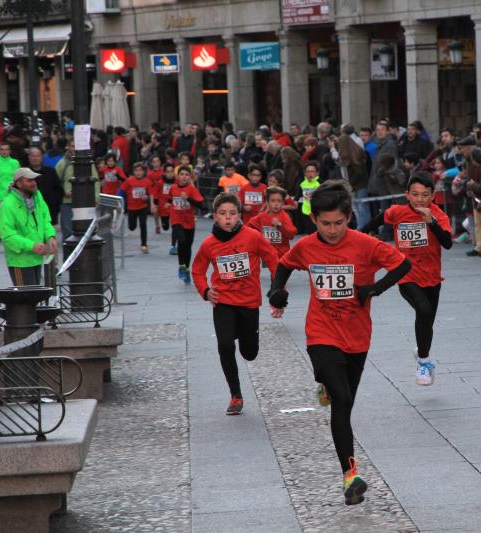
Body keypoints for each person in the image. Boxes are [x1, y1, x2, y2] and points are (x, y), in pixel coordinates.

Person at [268, 180, 410, 505]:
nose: (332, 230)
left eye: (339, 223)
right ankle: (350, 474)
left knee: (343, 403)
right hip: (321, 331)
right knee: (342, 400)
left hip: (357, 336)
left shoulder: (365, 244)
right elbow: (284, 264)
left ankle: (327, 385)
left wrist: (375, 289)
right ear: (314, 220)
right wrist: (277, 290)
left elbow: (403, 264)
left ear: (348, 219)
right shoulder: (306, 246)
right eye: (325, 223)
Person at [359, 173, 452, 384]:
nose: (420, 199)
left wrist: (432, 223)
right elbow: (375, 221)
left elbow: (447, 243)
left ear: (432, 196)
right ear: (407, 194)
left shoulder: (438, 214)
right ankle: (424, 364)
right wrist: (356, 235)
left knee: (427, 321)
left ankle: (422, 350)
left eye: (425, 195)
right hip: (406, 274)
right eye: (415, 194)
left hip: (432, 277)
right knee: (424, 310)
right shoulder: (397, 212)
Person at [192, 192, 279, 415]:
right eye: (223, 214)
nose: (228, 218)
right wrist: (205, 291)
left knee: (249, 353)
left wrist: (278, 290)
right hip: (223, 301)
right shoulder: (209, 244)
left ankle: (244, 335)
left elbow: (273, 259)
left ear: (239, 215)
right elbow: (198, 270)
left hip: (249, 301)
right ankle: (235, 395)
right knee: (225, 345)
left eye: (232, 213)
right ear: (215, 217)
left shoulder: (252, 236)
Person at [0, 168, 57, 286]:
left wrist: (50, 236)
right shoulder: (7, 205)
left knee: (34, 299)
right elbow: (7, 236)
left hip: (36, 258)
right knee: (25, 300)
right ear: (19, 183)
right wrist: (32, 245)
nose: (33, 183)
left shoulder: (37, 196)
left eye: (34, 180)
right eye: (29, 180)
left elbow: (45, 219)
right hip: (20, 262)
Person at [167, 166, 205, 284]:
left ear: (190, 177)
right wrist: (166, 204)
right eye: (181, 174)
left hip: (189, 222)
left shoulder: (191, 189)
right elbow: (169, 198)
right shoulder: (173, 188)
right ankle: (181, 266)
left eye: (186, 175)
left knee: (187, 247)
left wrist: (188, 199)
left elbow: (202, 206)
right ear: (177, 176)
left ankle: (186, 268)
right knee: (182, 242)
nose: (184, 177)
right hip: (176, 219)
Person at [120, 162, 154, 253]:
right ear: (133, 172)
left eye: (140, 170)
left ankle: (144, 244)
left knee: (143, 225)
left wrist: (150, 202)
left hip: (143, 207)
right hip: (131, 208)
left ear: (144, 172)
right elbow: (121, 190)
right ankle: (132, 225)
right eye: (136, 170)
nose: (138, 172)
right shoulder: (129, 180)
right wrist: (119, 202)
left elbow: (150, 194)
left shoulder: (147, 182)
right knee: (132, 227)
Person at [152, 162, 178, 255]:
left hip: (174, 208)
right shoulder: (160, 182)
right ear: (164, 173)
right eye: (168, 172)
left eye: (171, 172)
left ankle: (174, 246)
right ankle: (160, 225)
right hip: (163, 208)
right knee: (166, 227)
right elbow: (155, 194)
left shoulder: (177, 181)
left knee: (176, 227)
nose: (170, 174)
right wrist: (155, 205)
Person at [298, 161, 321, 234]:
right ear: (304, 173)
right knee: (310, 234)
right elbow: (298, 198)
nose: (310, 174)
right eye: (307, 171)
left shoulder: (321, 183)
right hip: (306, 212)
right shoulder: (301, 184)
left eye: (312, 171)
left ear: (317, 173)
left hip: (318, 212)